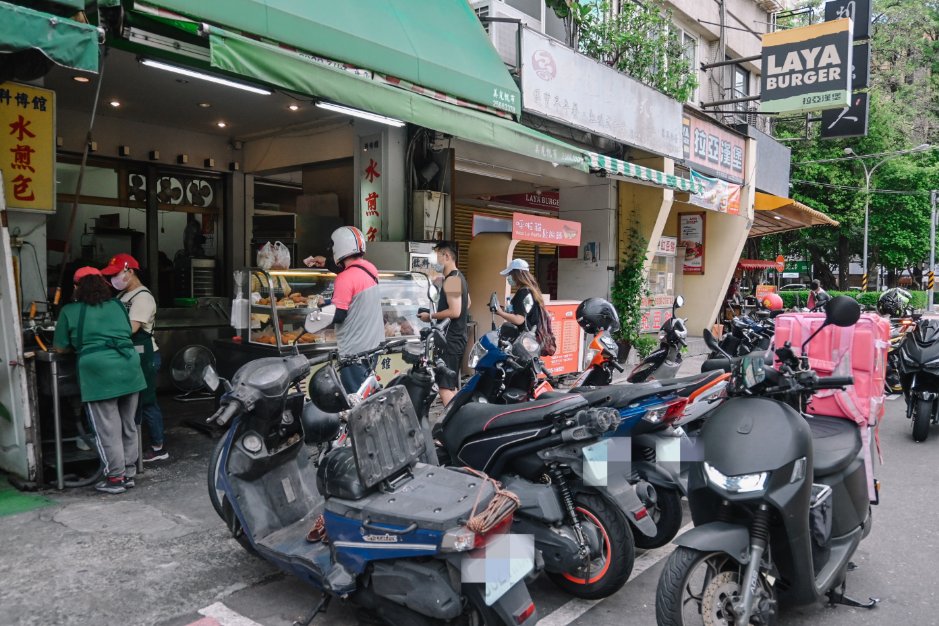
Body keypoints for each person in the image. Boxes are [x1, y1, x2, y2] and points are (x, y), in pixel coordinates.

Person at [53, 267, 146, 494]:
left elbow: (60, 347)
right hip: (128, 367)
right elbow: (125, 330)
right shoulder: (116, 305)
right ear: (103, 285)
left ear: (77, 288)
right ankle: (128, 472)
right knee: (128, 425)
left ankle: (115, 479)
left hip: (98, 372)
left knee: (108, 429)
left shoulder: (69, 311)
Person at [100, 254, 168, 463]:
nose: (113, 279)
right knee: (133, 402)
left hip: (145, 355)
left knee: (147, 402)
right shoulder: (122, 296)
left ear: (130, 272)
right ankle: (132, 447)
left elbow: (131, 329)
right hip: (131, 354)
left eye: (116, 274)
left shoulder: (143, 297)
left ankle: (158, 447)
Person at [311, 227, 384, 392]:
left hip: (354, 351)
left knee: (354, 399)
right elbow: (353, 297)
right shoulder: (370, 269)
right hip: (373, 346)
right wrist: (328, 263)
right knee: (367, 393)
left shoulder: (344, 279)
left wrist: (320, 309)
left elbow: (339, 314)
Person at [418, 241, 468, 406]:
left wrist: (431, 316)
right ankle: (459, 419)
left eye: (436, 256)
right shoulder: (458, 277)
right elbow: (467, 303)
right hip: (456, 339)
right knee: (451, 385)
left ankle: (454, 424)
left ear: (446, 256)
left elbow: (455, 311)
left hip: (450, 341)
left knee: (445, 387)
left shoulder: (452, 280)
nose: (434, 260)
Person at [493, 258, 543, 332]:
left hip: (524, 338)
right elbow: (525, 312)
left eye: (510, 274)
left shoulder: (523, 292)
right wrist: (505, 311)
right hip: (532, 337)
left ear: (518, 273)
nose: (508, 278)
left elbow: (519, 319)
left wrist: (500, 313)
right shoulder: (530, 290)